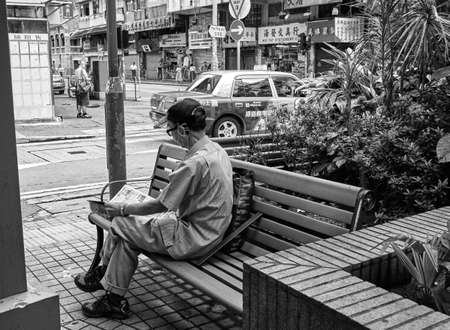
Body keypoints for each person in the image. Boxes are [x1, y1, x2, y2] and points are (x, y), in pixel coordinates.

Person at [75, 98, 233, 319]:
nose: (172, 136)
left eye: (171, 131)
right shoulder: (216, 150)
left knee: (120, 223)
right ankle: (112, 297)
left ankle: (102, 272)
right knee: (129, 239)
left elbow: (160, 204)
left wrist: (122, 208)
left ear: (184, 129)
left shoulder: (194, 163)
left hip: (192, 238)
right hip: (211, 232)